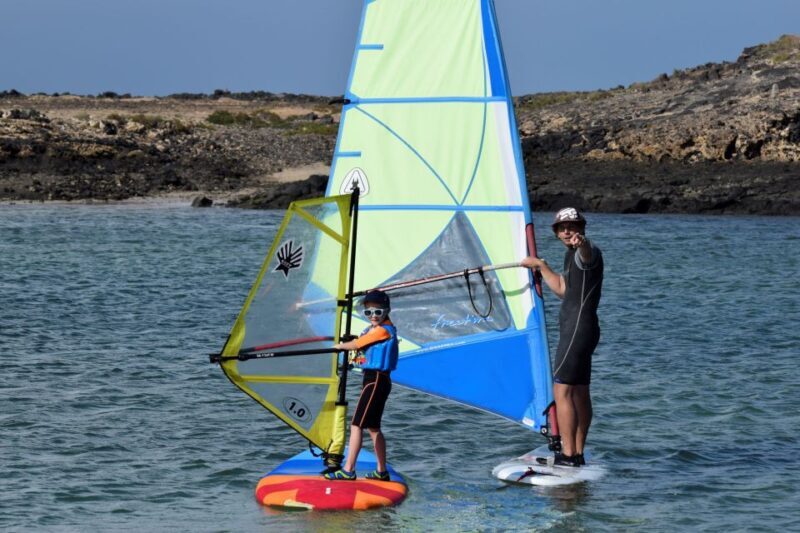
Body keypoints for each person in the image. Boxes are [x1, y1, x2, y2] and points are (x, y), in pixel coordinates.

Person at [521, 207, 603, 467]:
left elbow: (587, 253)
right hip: (582, 329)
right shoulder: (571, 256)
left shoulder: (585, 251)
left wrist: (584, 244)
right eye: (562, 228)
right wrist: (542, 266)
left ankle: (568, 454)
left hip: (577, 330)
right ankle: (576, 452)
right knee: (578, 392)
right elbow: (563, 289)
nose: (568, 231)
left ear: (582, 228)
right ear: (556, 232)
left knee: (562, 390)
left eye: (573, 226)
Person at [324, 290, 399, 481]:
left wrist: (340, 346)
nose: (373, 316)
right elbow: (361, 350)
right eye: (368, 312)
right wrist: (349, 351)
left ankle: (348, 470)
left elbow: (358, 345)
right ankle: (381, 472)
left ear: (387, 311)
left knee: (356, 424)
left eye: (378, 312)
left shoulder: (383, 330)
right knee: (373, 427)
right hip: (373, 380)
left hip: (376, 381)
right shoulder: (372, 330)